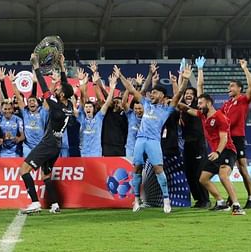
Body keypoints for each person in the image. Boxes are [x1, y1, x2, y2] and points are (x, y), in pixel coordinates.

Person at [114, 63, 191, 213]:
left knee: (158, 169)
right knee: (136, 169)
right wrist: (120, 76)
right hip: (140, 140)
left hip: (153, 141)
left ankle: (166, 200)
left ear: (162, 95)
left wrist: (186, 80)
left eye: (155, 93)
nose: (152, 94)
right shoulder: (146, 103)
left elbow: (179, 94)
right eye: (152, 93)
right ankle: (136, 200)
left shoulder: (167, 109)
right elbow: (130, 89)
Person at [19, 53, 74, 214]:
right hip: (56, 146)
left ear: (62, 94)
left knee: (24, 170)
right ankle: (55, 204)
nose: (56, 88)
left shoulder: (56, 108)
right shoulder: (68, 104)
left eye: (58, 89)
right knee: (46, 176)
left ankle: (35, 203)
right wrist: (63, 67)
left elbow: (43, 87)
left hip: (48, 143)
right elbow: (66, 85)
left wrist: (36, 66)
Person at [180, 94, 246, 216]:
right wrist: (173, 102)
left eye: (201, 103)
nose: (199, 106)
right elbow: (188, 109)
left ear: (209, 103)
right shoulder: (203, 115)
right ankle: (221, 202)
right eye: (198, 103)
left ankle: (237, 206)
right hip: (216, 153)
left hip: (227, 151)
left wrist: (217, 152)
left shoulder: (220, 117)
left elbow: (224, 139)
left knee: (223, 175)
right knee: (203, 179)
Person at [219, 59, 251, 208]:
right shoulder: (226, 104)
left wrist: (245, 68)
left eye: (232, 86)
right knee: (226, 168)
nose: (229, 88)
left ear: (239, 89)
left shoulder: (243, 100)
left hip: (237, 138)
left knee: (242, 168)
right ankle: (230, 197)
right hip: (226, 139)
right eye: (229, 86)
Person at [7, 69, 48, 157]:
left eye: (33, 101)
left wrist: (53, 82)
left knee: (42, 169)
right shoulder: (25, 112)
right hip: (27, 147)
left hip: (41, 146)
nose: (31, 103)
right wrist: (13, 82)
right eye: (29, 101)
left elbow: (47, 97)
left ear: (38, 103)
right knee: (27, 169)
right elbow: (18, 98)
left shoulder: (43, 112)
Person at [181, 86, 210, 208]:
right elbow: (178, 96)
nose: (188, 95)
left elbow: (200, 87)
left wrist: (199, 70)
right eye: (186, 93)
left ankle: (206, 200)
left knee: (199, 173)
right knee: (189, 174)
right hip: (187, 144)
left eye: (191, 93)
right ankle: (198, 199)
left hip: (198, 144)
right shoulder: (182, 109)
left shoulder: (197, 107)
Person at [77, 69, 117, 157]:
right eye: (86, 107)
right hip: (84, 152)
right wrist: (81, 82)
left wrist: (112, 89)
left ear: (94, 109)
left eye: (90, 107)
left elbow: (106, 104)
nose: (88, 108)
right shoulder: (81, 119)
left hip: (96, 153)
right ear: (84, 109)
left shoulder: (98, 118)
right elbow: (83, 97)